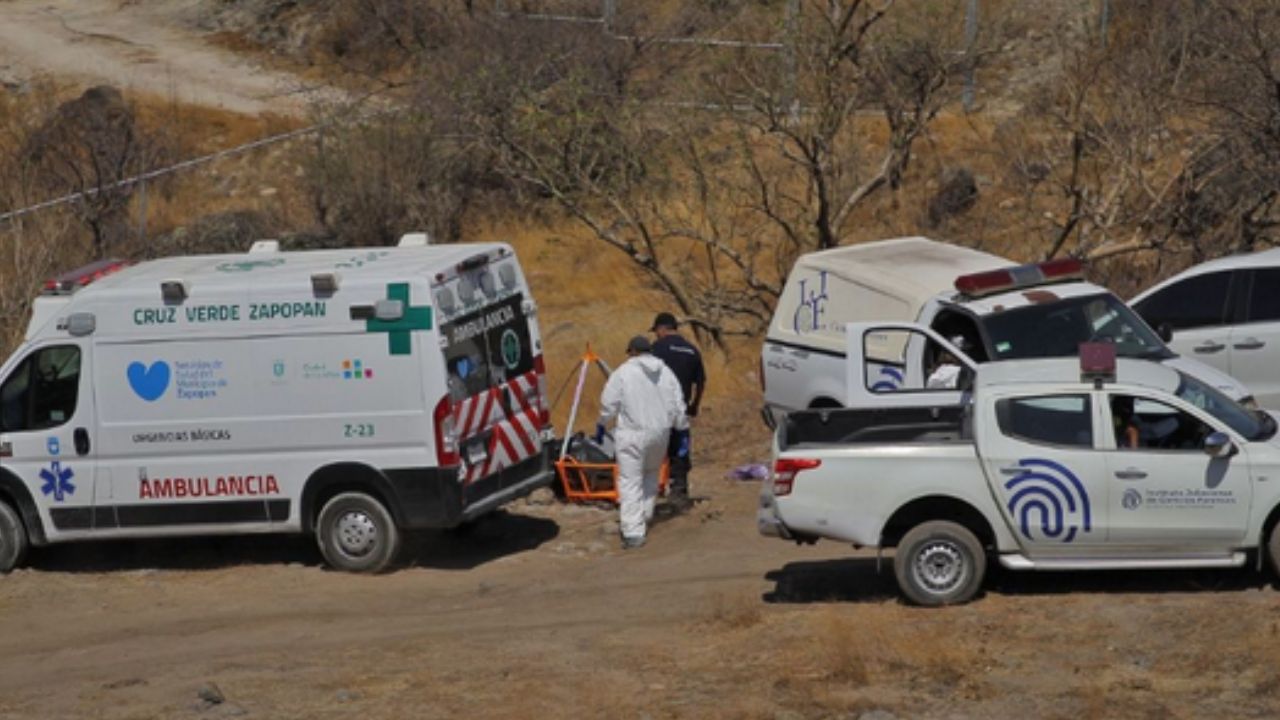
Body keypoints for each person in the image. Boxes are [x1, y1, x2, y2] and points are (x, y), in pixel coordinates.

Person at [595, 335, 688, 549]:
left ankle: (633, 532)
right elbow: (677, 403)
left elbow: (609, 403)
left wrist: (602, 423)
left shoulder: (623, 373)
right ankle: (644, 515)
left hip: (632, 434)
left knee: (629, 481)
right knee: (650, 475)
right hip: (660, 433)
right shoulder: (666, 372)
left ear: (632, 351)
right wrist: (682, 429)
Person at [650, 311, 705, 506]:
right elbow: (700, 382)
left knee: (652, 449)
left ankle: (650, 491)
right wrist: (694, 405)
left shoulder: (655, 349)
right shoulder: (691, 350)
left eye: (656, 330)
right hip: (680, 410)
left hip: (656, 409)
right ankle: (679, 490)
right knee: (679, 449)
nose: (656, 334)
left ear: (662, 329)